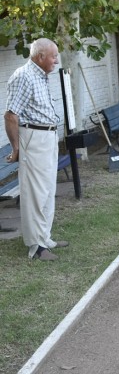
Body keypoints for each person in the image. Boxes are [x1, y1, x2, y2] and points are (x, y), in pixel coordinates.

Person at [4, 38, 68, 261]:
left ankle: (45, 238)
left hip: (47, 136)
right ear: (40, 56)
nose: (56, 60)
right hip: (34, 138)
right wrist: (16, 148)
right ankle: (36, 247)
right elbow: (11, 115)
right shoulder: (24, 76)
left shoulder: (40, 76)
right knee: (35, 193)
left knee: (48, 191)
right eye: (53, 56)